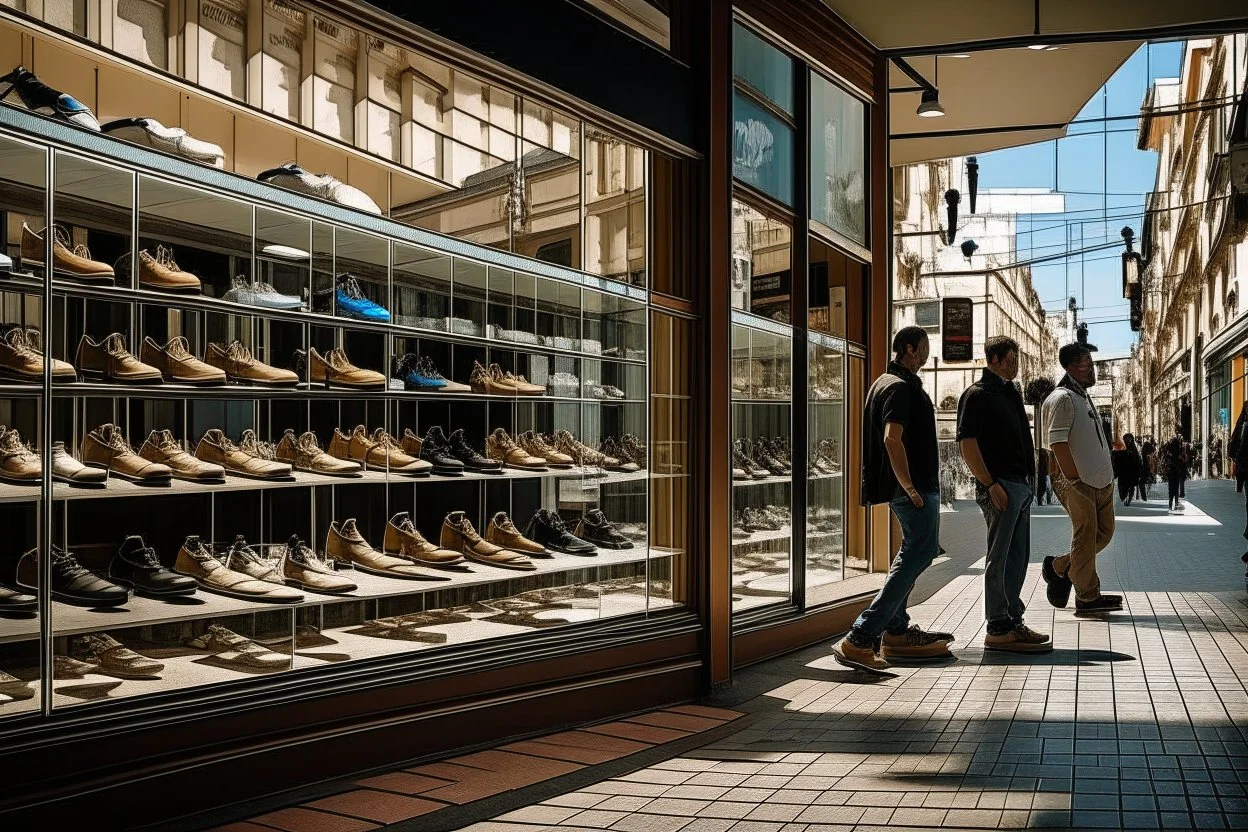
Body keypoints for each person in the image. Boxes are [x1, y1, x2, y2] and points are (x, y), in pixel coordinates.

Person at [832, 326, 953, 672]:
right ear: (909, 349)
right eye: (925, 348)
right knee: (921, 550)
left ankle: (897, 630)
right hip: (912, 489)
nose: (929, 354)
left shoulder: (884, 383)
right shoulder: (899, 388)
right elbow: (891, 439)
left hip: (904, 488)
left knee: (913, 551)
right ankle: (861, 636)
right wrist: (912, 488)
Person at [956, 335, 1049, 652]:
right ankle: (997, 624)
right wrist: (990, 484)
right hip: (1001, 486)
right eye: (1011, 359)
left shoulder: (1010, 393)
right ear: (993, 359)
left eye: (1017, 359)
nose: (1016, 365)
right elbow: (967, 445)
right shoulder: (977, 395)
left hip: (1020, 486)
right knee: (1000, 556)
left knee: (1018, 557)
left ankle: (1011, 619)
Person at [1039, 343, 1122, 616]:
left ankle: (1060, 567)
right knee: (1085, 535)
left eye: (1091, 361)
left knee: (1103, 534)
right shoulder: (1062, 397)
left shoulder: (1081, 396)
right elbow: (1057, 442)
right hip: (1077, 481)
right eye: (1086, 362)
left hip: (1099, 481)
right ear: (1071, 367)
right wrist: (1074, 479)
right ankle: (1087, 596)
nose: (1092, 368)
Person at [1161, 429, 1188, 512]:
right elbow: (1184, 463)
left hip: (1170, 472)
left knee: (1171, 486)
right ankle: (1176, 501)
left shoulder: (1169, 454)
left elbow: (1165, 460)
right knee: (1176, 487)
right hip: (1177, 472)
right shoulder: (1179, 454)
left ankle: (1170, 503)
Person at [1111, 436, 1140, 507]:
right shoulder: (1128, 449)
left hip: (1126, 472)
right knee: (1126, 487)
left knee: (1126, 487)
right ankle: (1126, 498)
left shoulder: (1131, 449)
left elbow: (1137, 462)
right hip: (1126, 472)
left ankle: (1127, 498)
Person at [1124, 433, 1144, 503]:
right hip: (1126, 470)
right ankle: (1127, 497)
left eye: (1129, 439)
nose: (1127, 440)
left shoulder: (1133, 448)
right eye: (1127, 439)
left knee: (1131, 485)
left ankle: (1129, 498)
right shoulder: (1124, 447)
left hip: (1132, 470)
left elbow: (1137, 460)